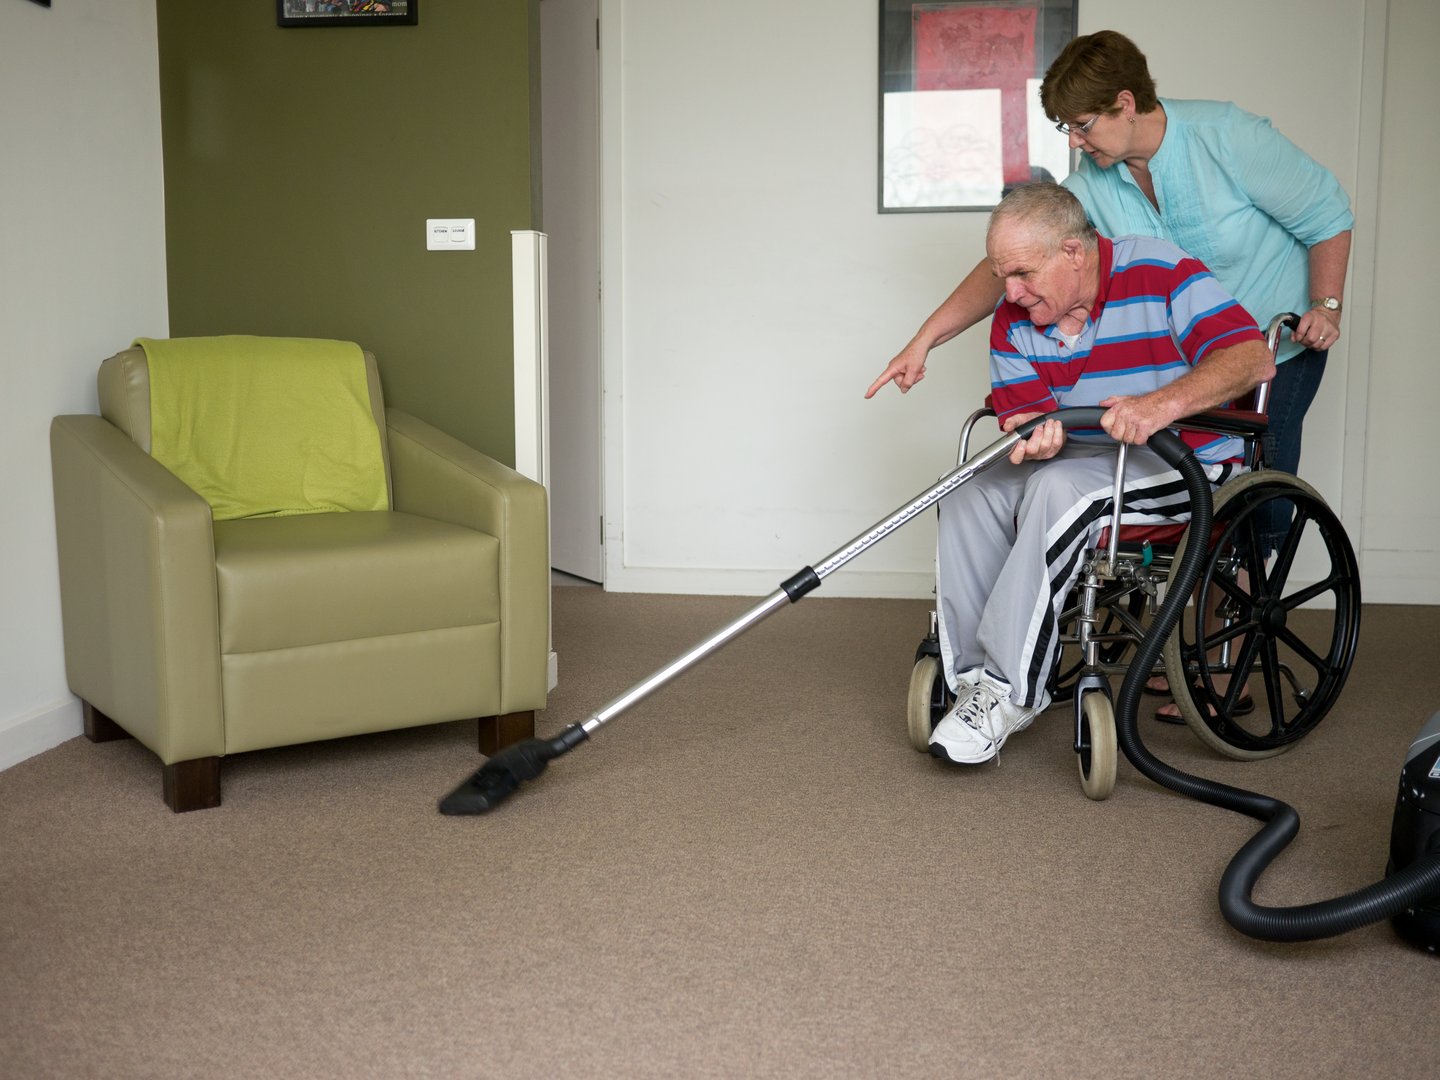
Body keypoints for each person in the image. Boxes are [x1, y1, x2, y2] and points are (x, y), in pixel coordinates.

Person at [867, 30, 1352, 560]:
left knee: (1255, 503)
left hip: (1268, 343)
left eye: (1081, 124)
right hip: (1176, 355)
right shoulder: (1093, 181)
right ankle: (1182, 618)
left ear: (1125, 104)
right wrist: (925, 339)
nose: (1073, 140)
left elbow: (1326, 213)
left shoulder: (1227, 136)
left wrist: (1326, 305)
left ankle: (1235, 620)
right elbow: (1011, 261)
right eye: (1065, 128)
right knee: (1172, 487)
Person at [926, 182, 1274, 765]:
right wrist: (1037, 433)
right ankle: (971, 681)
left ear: (1072, 253)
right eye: (1000, 275)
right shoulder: (1013, 318)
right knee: (970, 488)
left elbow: (1250, 357)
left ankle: (1010, 692)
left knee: (1057, 487)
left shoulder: (1160, 272)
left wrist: (1160, 405)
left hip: (1184, 459)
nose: (1007, 292)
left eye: (1021, 273)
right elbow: (1027, 413)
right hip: (1082, 459)